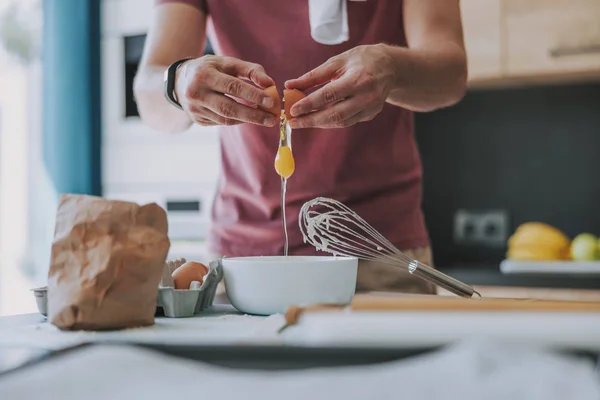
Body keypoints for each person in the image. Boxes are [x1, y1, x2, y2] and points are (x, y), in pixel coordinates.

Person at [134, 0, 467, 294]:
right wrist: (177, 82)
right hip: (243, 261)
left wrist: (390, 67)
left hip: (380, 255)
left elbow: (451, 73)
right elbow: (149, 94)